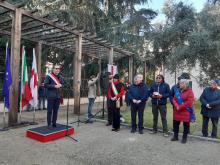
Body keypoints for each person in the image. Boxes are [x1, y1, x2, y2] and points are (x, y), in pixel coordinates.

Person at [171, 79, 194, 143]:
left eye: (181, 83)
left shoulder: (190, 91)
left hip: (185, 111)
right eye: (180, 83)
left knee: (186, 125)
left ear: (185, 84)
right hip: (177, 111)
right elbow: (174, 99)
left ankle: (184, 138)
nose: (179, 84)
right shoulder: (178, 90)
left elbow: (189, 102)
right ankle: (175, 137)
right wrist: (176, 106)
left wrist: (180, 107)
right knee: (175, 124)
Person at [44, 64, 64, 128]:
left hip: (58, 96)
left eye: (58, 69)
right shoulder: (48, 76)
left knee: (56, 111)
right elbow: (45, 85)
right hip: (51, 96)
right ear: (53, 69)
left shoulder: (61, 77)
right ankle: (49, 124)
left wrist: (61, 85)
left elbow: (63, 84)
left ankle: (54, 123)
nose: (57, 70)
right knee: (49, 111)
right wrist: (54, 86)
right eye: (56, 68)